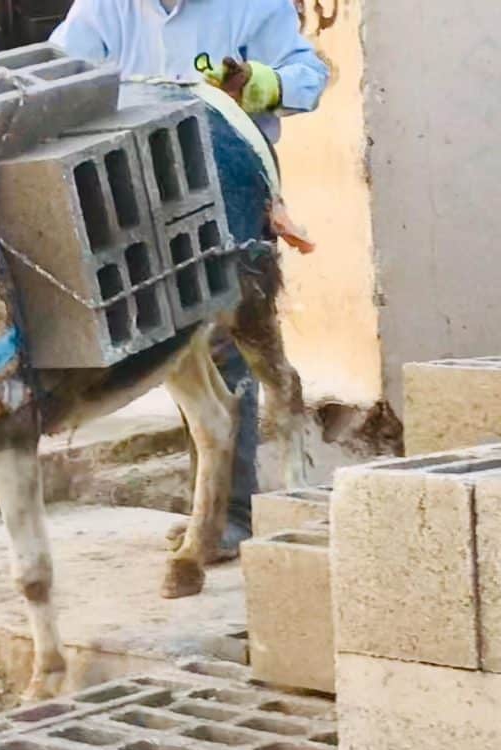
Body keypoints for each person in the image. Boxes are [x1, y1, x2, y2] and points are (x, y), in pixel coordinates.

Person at [50, 0, 329, 553]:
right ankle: (213, 502)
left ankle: (232, 514)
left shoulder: (253, 5)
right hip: (134, 195)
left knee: (227, 344)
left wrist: (261, 84)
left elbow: (309, 77)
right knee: (178, 350)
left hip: (224, 187)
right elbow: (59, 68)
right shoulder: (106, 7)